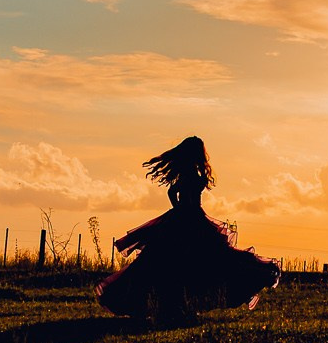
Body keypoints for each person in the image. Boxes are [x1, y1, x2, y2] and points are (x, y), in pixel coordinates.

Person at [95, 136, 280, 322]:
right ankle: (178, 305)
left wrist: (179, 208)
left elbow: (171, 191)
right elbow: (173, 192)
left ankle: (179, 305)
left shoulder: (189, 172)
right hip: (189, 218)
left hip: (189, 216)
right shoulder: (190, 174)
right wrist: (181, 209)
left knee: (184, 262)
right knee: (195, 261)